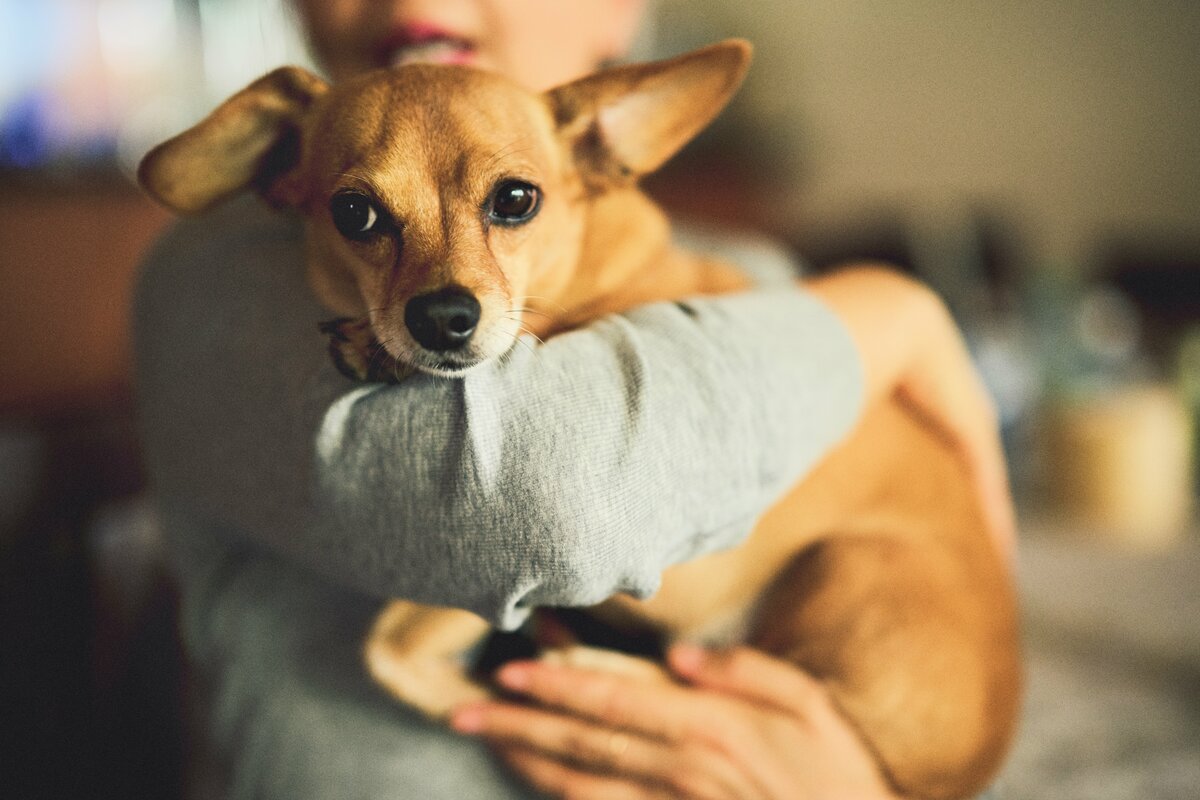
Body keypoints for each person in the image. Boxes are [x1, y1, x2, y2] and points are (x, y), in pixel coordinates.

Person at [132, 0, 1012, 797]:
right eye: (367, 216)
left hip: (867, 671)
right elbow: (561, 501)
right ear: (295, 183)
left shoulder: (748, 272)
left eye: (509, 201)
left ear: (605, 133)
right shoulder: (224, 266)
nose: (443, 288)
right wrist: (894, 314)